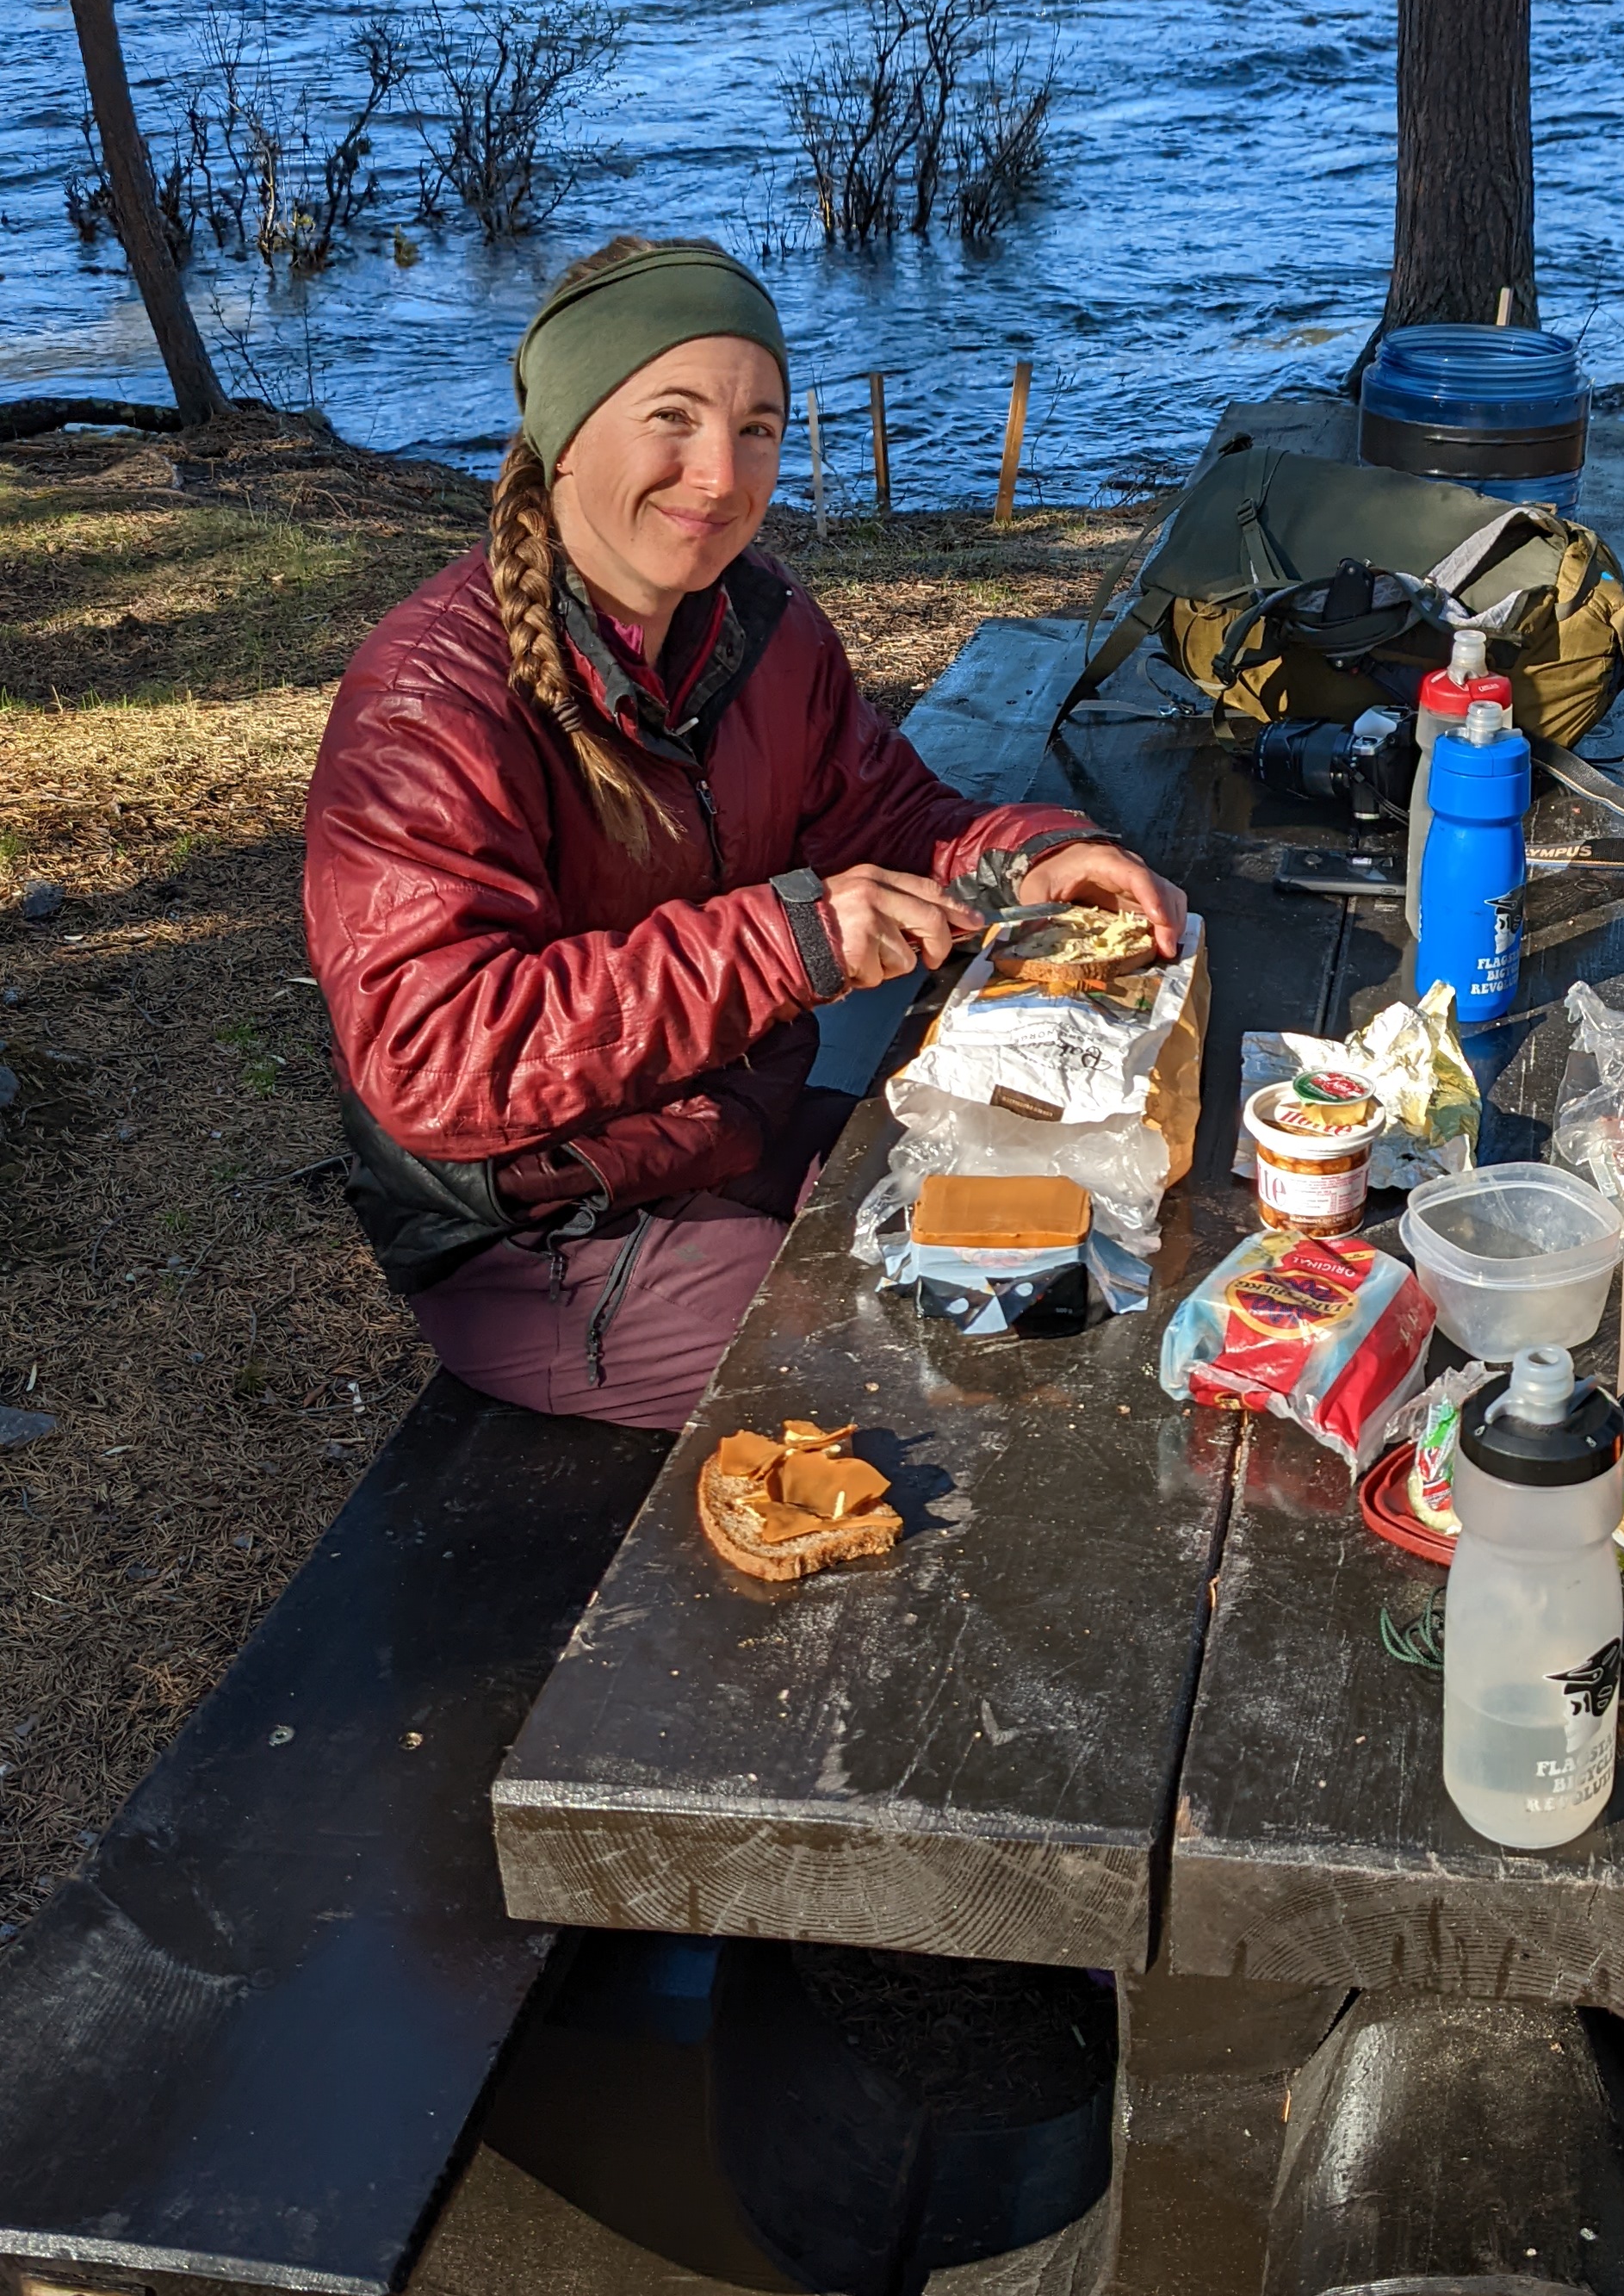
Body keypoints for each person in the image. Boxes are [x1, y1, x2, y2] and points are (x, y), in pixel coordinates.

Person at [304, 234, 1182, 1429]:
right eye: (672, 416)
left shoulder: (757, 628)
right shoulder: (433, 699)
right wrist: (787, 943)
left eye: (759, 426)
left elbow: (891, 813)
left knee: (1073, 1239)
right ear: (565, 434)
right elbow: (434, 1060)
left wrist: (1034, 855)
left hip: (729, 1136)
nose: (719, 475)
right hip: (539, 1238)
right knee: (978, 1377)